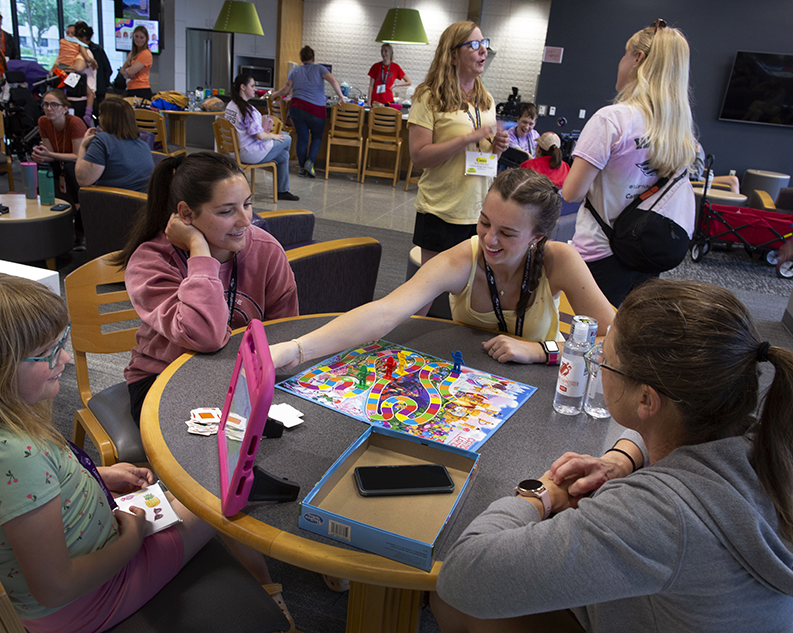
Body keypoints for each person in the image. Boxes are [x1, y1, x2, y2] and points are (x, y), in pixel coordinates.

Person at [0, 270, 280, 633]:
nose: (66, 358)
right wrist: (131, 539)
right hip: (88, 599)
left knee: (203, 486)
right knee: (223, 491)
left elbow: (22, 493)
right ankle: (269, 593)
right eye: (46, 352)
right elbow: (57, 586)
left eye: (62, 342)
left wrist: (97, 476)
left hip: (92, 551)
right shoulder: (7, 456)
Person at [431, 279, 793, 632]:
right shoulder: (763, 437)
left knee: (450, 603)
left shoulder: (657, 513)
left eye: (605, 359)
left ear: (646, 400)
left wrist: (539, 495)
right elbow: (660, 424)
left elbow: (463, 575)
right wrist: (622, 458)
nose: (598, 362)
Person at [271, 169, 614, 372]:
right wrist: (297, 349)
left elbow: (613, 338)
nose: (490, 239)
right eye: (484, 222)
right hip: (471, 380)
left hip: (545, 380)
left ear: (537, 237)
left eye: (507, 233)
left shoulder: (560, 260)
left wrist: (542, 351)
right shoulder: (463, 258)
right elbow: (386, 311)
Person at [111, 152, 298, 424]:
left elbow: (284, 329)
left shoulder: (265, 249)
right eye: (226, 211)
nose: (246, 220)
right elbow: (205, 337)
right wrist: (200, 252)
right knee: (217, 449)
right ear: (186, 213)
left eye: (247, 204)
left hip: (242, 376)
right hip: (164, 378)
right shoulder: (150, 261)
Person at [561, 20, 697, 307]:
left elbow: (571, 193)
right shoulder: (679, 131)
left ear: (638, 59)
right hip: (647, 253)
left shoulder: (611, 120)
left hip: (599, 253)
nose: (621, 62)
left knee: (585, 338)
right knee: (624, 336)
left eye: (625, 54)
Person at [408, 21, 509, 269]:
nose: (484, 51)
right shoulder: (428, 96)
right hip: (441, 208)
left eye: (484, 44)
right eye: (474, 45)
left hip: (479, 211)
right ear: (453, 56)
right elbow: (419, 157)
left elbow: (486, 158)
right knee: (427, 289)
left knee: (472, 291)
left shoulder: (487, 100)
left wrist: (497, 147)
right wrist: (466, 138)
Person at [272, 45, 347, 178]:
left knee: (302, 138)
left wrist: (273, 95)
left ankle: (302, 168)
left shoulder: (295, 71)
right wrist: (341, 96)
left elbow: (285, 90)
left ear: (301, 59)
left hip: (297, 108)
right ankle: (310, 163)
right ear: (313, 57)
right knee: (317, 137)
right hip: (316, 110)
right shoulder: (320, 69)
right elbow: (333, 81)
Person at [225, 73, 299, 201]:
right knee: (287, 139)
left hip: (234, 151)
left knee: (283, 156)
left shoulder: (230, 106)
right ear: (243, 87)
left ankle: (282, 190)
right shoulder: (248, 110)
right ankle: (281, 189)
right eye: (252, 86)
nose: (255, 89)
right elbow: (259, 136)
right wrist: (273, 136)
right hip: (249, 153)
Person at [75, 98, 154, 193]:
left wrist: (83, 146)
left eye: (101, 115)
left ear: (108, 119)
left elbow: (83, 180)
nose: (99, 118)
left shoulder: (103, 139)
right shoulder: (144, 145)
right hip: (141, 203)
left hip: (111, 202)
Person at [31, 89, 86, 207]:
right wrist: (40, 156)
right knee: (39, 165)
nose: (49, 108)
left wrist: (49, 155)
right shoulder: (43, 121)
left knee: (70, 167)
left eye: (54, 105)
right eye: (45, 104)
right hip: (59, 160)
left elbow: (77, 156)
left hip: (78, 163)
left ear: (65, 109)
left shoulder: (75, 123)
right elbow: (49, 153)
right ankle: (42, 202)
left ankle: (79, 208)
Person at [52, 22, 97, 126]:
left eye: (72, 34)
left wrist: (63, 69)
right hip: (68, 95)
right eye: (67, 33)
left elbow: (78, 68)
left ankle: (88, 114)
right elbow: (53, 69)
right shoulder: (66, 51)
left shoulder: (84, 51)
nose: (70, 36)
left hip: (82, 98)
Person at [120, 26, 153, 100]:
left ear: (146, 39)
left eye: (141, 37)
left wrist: (127, 71)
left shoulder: (146, 54)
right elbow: (122, 70)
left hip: (141, 89)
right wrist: (127, 72)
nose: (138, 40)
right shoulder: (132, 53)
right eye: (136, 36)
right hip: (130, 88)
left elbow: (131, 71)